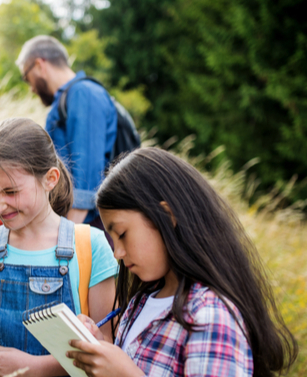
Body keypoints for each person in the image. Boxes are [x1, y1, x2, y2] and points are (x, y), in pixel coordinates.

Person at [66, 148, 297, 377]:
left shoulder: (209, 316)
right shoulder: (140, 304)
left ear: (167, 216)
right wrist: (101, 351)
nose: (117, 252)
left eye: (123, 233)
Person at [0, 118, 118, 377]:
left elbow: (105, 347)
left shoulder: (89, 245)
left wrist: (35, 368)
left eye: (10, 192)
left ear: (50, 179)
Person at [16, 35, 117, 230]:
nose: (31, 88)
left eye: (26, 77)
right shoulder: (68, 99)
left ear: (39, 65)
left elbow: (85, 185)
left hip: (88, 227)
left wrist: (64, 240)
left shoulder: (83, 93)